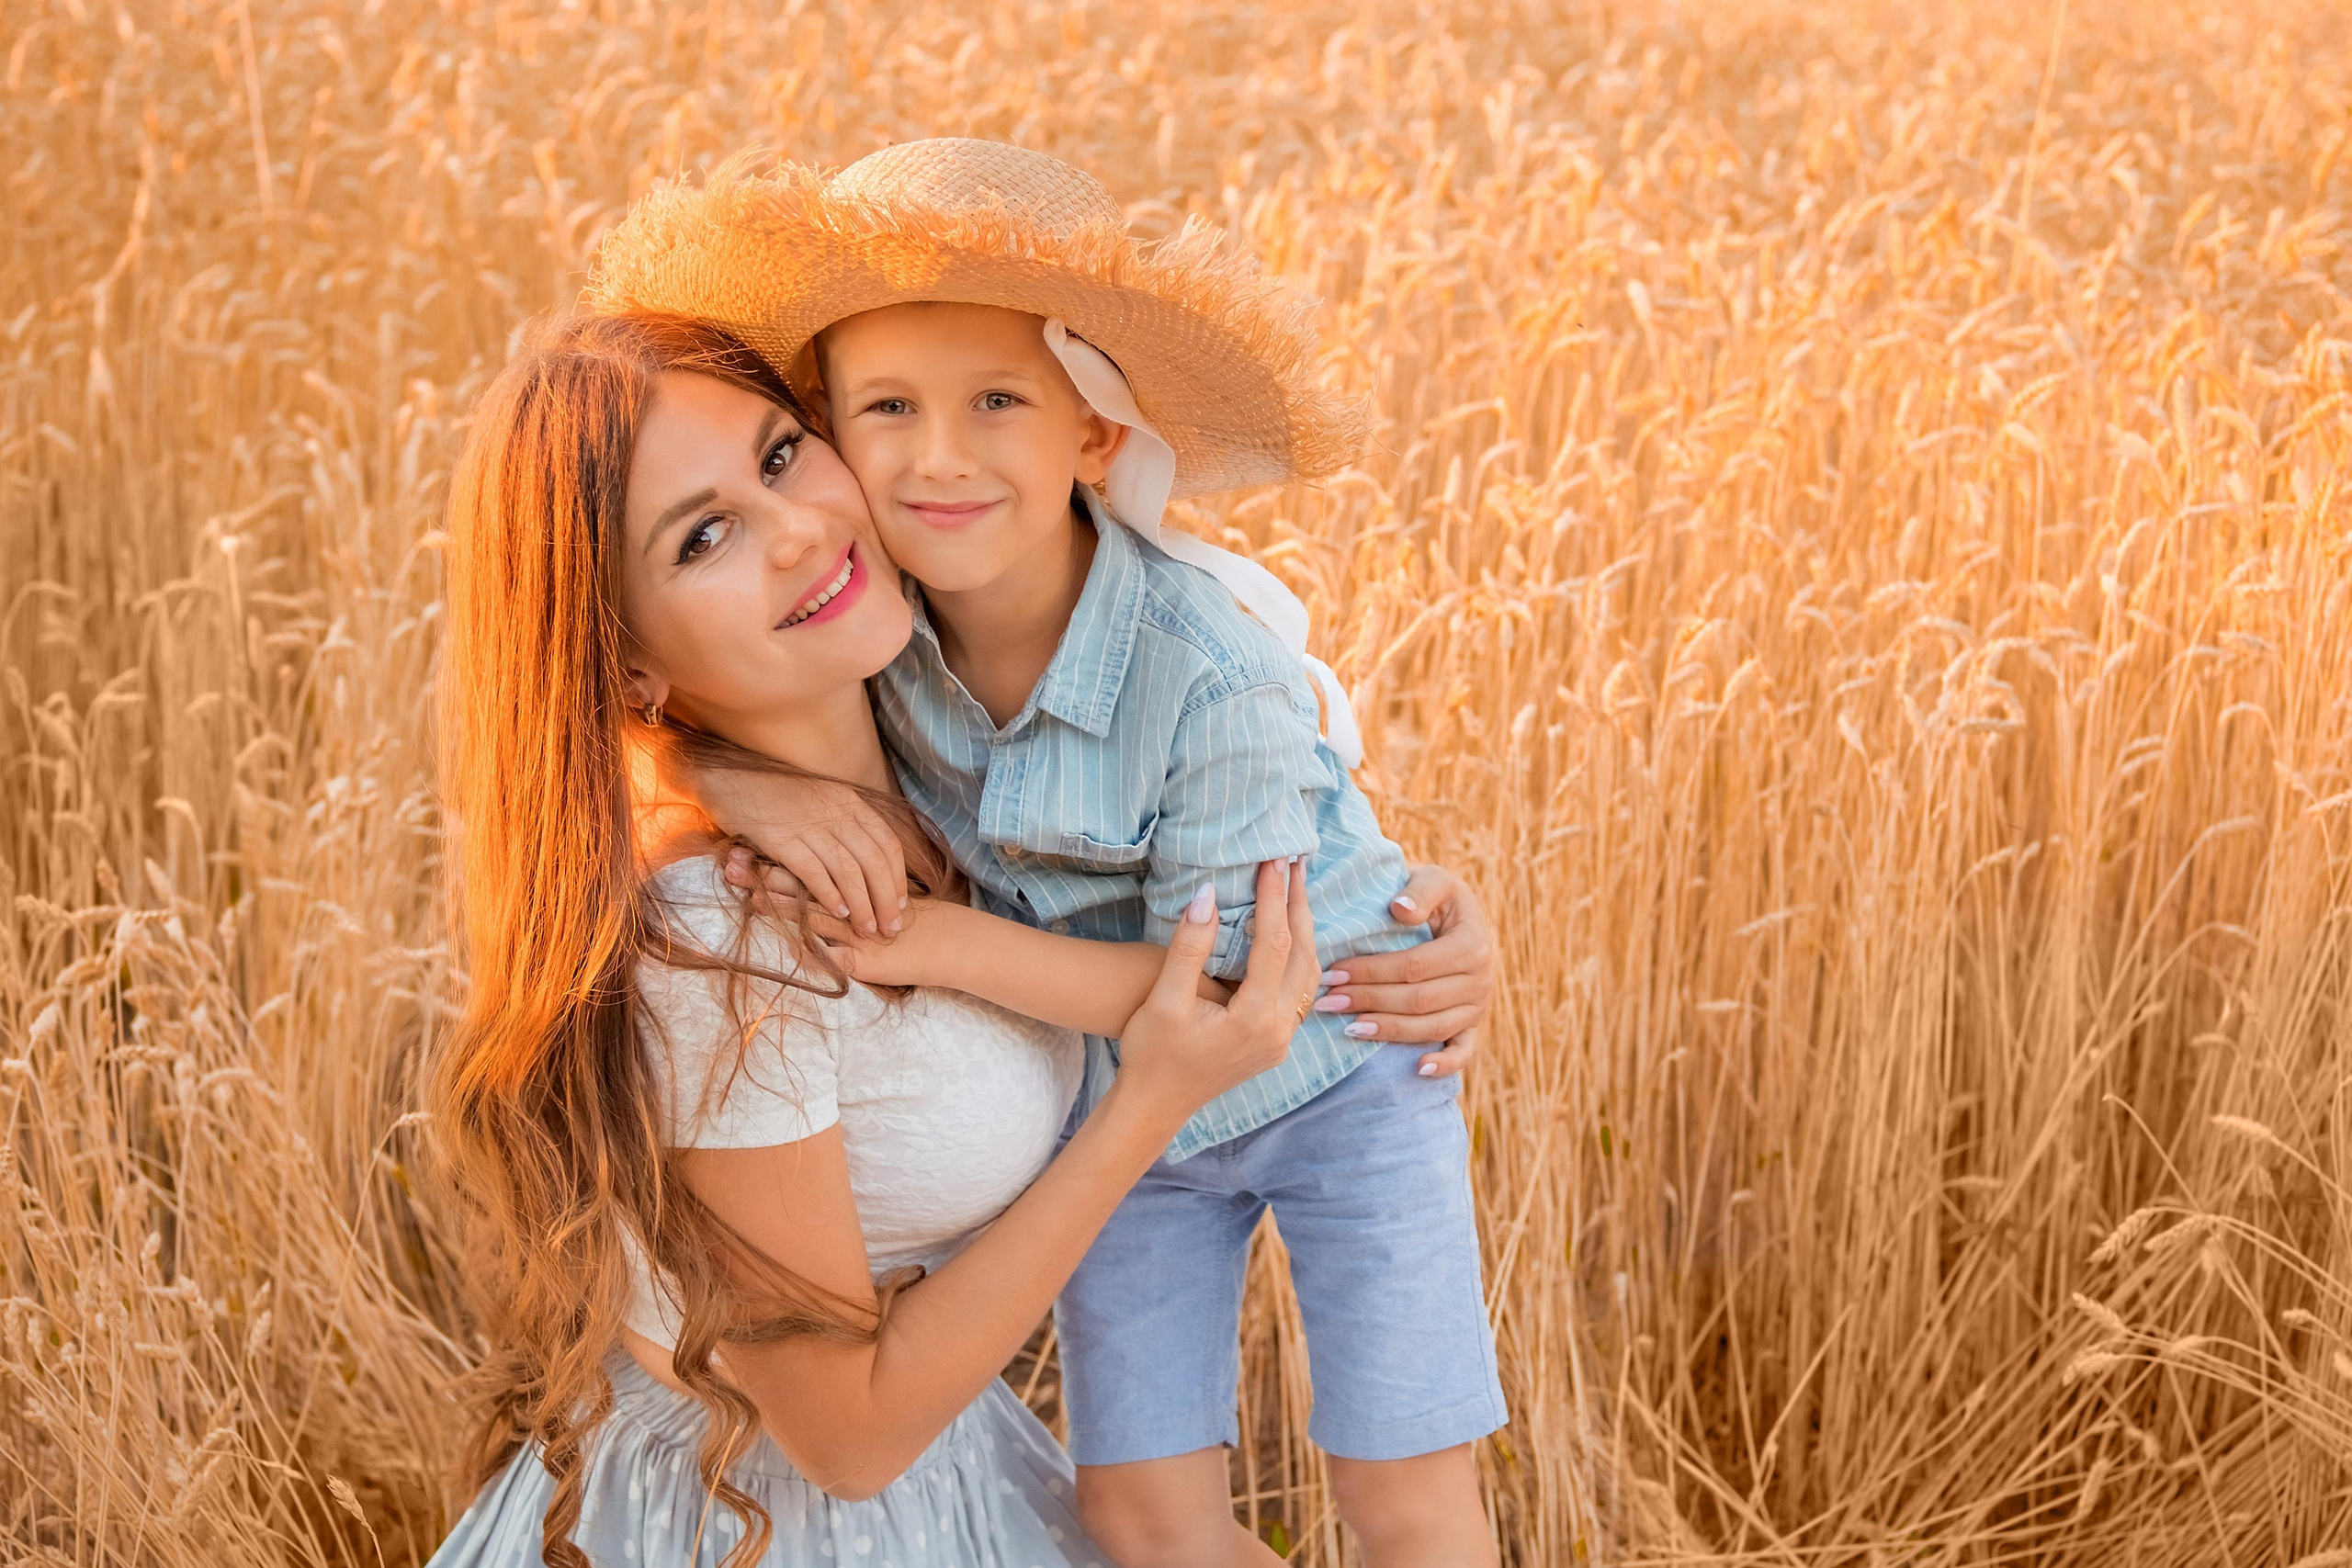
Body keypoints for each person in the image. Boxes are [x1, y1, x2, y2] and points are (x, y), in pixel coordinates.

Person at [424, 310, 1489, 1568]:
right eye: (705, 538)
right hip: (773, 1523)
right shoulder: (727, 941)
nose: (803, 532)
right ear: (629, 670)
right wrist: (1149, 1098)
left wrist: (1398, 901)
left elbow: (1186, 786)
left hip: (959, 1478)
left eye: (780, 457)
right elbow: (847, 1443)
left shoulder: (928, 701)